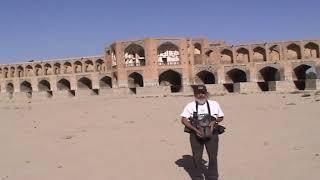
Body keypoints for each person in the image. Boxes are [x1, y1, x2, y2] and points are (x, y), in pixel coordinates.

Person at [180, 85, 224, 180]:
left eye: (203, 93)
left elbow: (221, 116)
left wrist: (214, 122)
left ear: (206, 94)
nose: (201, 95)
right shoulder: (190, 105)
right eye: (198, 93)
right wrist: (195, 130)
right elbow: (184, 120)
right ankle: (197, 176)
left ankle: (212, 176)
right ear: (195, 94)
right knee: (197, 156)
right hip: (195, 134)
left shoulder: (214, 104)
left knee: (213, 156)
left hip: (212, 133)